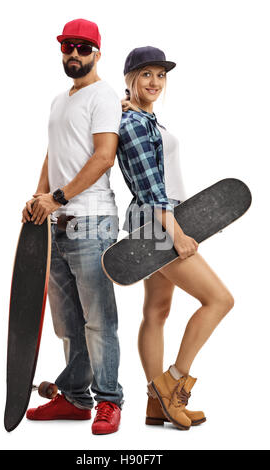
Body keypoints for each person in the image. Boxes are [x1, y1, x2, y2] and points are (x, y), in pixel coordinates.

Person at [117, 46, 234, 430]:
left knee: (156, 312)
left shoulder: (147, 120)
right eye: (146, 74)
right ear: (130, 79)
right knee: (219, 299)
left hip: (157, 222)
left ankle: (155, 403)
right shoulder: (134, 124)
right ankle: (172, 385)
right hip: (157, 224)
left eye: (160, 75)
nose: (154, 82)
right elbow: (152, 188)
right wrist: (178, 234)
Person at [22, 18, 123, 435]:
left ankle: (109, 401)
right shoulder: (59, 101)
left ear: (96, 52)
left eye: (83, 47)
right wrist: (38, 198)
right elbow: (53, 154)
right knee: (66, 321)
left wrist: (59, 197)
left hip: (92, 221)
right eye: (68, 47)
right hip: (57, 226)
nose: (74, 54)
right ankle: (77, 399)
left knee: (99, 319)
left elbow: (103, 157)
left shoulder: (103, 95)